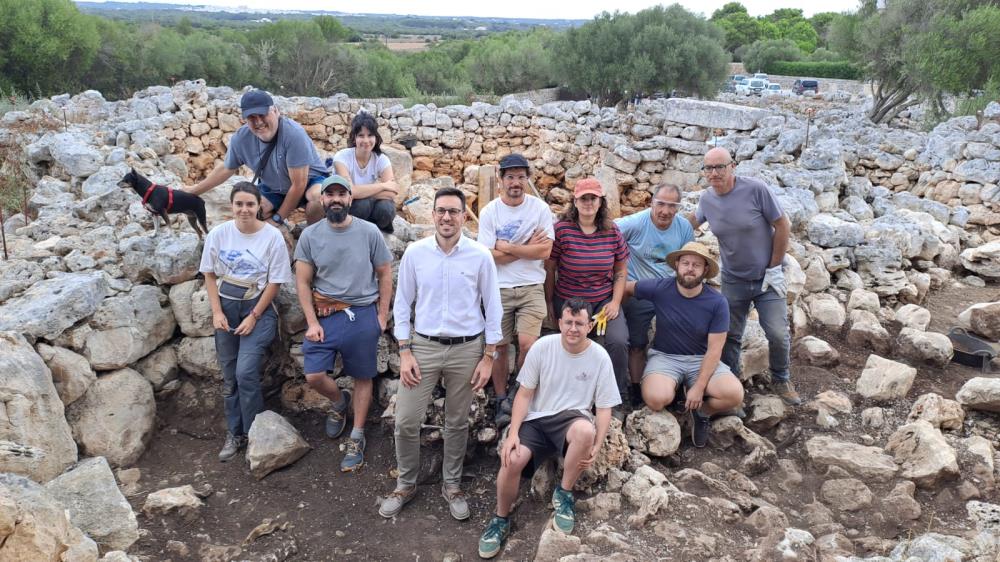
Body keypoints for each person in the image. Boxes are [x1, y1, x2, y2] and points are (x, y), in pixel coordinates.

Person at [382, 187, 503, 520]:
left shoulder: (480, 255)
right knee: (406, 420)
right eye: (441, 211)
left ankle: (452, 485)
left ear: (464, 216)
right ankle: (405, 484)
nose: (447, 217)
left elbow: (493, 307)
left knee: (457, 422)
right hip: (423, 347)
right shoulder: (416, 254)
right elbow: (403, 304)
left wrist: (489, 356)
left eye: (454, 211)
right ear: (432, 215)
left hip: (467, 348)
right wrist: (404, 351)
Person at [478, 298, 621, 559]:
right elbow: (523, 394)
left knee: (585, 432)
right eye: (568, 322)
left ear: (590, 325)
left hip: (571, 419)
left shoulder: (600, 357)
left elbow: (603, 407)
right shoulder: (543, 347)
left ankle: (564, 493)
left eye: (579, 323)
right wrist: (512, 435)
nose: (573, 329)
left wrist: (599, 442)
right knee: (511, 459)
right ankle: (501, 518)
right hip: (537, 418)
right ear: (559, 322)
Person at [294, 175, 393, 472]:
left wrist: (381, 316)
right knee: (313, 375)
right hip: (325, 313)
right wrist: (311, 322)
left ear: (350, 199)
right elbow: (302, 281)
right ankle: (339, 402)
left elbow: (385, 274)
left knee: (363, 376)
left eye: (341, 194)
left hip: (362, 312)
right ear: (322, 200)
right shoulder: (310, 236)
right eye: (330, 194)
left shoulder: (369, 231)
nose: (336, 199)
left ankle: (357, 434)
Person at [688, 147, 799, 405]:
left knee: (778, 333)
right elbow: (689, 224)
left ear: (733, 166)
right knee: (730, 334)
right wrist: (653, 225)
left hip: (767, 277)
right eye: (709, 168)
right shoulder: (707, 199)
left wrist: (774, 267)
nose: (714, 173)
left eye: (720, 167)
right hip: (734, 279)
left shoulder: (756, 189)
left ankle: (781, 378)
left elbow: (782, 225)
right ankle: (731, 380)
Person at [199, 182, 292, 462]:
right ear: (232, 206)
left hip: (257, 307)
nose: (244, 209)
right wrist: (216, 313)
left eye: (250, 204)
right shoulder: (218, 234)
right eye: (239, 204)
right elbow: (209, 275)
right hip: (226, 307)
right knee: (229, 378)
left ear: (259, 207)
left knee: (245, 372)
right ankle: (234, 432)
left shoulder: (272, 237)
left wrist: (254, 316)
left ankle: (255, 433)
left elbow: (275, 282)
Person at [624, 242, 744, 448]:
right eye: (685, 263)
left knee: (734, 395)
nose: (690, 268)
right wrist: (617, 311)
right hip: (665, 357)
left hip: (702, 359)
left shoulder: (717, 302)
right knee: (655, 399)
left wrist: (698, 387)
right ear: (677, 265)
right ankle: (677, 393)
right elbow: (625, 288)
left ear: (705, 270)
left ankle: (702, 412)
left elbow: (715, 349)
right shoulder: (660, 288)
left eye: (696, 265)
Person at [476, 153, 554, 427]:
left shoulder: (540, 209)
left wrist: (507, 247)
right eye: (510, 177)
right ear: (501, 180)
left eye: (521, 177)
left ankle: (519, 392)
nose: (516, 182)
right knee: (498, 346)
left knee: (528, 344)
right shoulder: (490, 212)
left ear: (527, 179)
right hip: (498, 288)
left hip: (532, 285)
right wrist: (525, 248)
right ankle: (500, 399)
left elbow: (545, 250)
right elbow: (487, 256)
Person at [185, 89, 329, 228]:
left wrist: (277, 218)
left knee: (317, 198)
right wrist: (194, 191)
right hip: (274, 188)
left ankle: (312, 237)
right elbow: (226, 168)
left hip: (310, 181)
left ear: (275, 111)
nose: (258, 122)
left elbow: (299, 184)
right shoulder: (241, 138)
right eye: (252, 117)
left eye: (262, 114)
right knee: (252, 210)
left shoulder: (293, 134)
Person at [545, 178, 630, 404]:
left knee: (618, 341)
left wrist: (615, 302)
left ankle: (617, 396)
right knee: (568, 342)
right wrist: (549, 303)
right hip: (569, 300)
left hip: (603, 300)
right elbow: (550, 269)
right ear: (575, 201)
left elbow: (621, 271)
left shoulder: (612, 231)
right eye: (584, 198)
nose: (588, 203)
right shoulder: (562, 230)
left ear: (601, 202)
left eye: (593, 198)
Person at [615, 183, 694, 406]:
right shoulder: (634, 223)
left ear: (678, 207)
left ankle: (679, 386)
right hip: (638, 290)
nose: (665, 211)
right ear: (652, 202)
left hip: (669, 290)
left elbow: (689, 259)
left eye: (672, 206)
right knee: (637, 342)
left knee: (681, 337)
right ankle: (636, 388)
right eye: (661, 204)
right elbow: (607, 235)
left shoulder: (683, 227)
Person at [332, 112, 399, 233]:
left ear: (376, 137)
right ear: (354, 137)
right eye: (361, 135)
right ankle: (350, 231)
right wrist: (383, 186)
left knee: (387, 208)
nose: (366, 140)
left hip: (365, 205)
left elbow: (392, 193)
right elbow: (350, 192)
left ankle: (375, 233)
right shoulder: (342, 157)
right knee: (363, 205)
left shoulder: (381, 159)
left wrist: (360, 192)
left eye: (370, 135)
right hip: (344, 206)